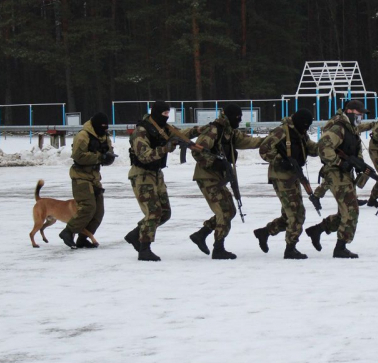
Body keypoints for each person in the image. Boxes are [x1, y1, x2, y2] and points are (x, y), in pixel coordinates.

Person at [123, 101, 199, 261]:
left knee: (164, 213)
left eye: (167, 114)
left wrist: (202, 129)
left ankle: (135, 235)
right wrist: (166, 148)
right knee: (154, 212)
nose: (166, 117)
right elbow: (144, 155)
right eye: (163, 114)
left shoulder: (164, 129)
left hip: (156, 174)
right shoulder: (141, 131)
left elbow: (181, 134)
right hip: (142, 175)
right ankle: (144, 249)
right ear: (156, 113)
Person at [189, 104, 263, 259]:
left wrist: (268, 140)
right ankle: (218, 248)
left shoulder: (230, 133)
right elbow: (197, 150)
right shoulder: (213, 131)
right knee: (224, 211)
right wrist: (214, 162)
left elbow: (247, 141)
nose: (239, 120)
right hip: (207, 176)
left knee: (230, 210)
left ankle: (201, 234)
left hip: (219, 178)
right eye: (237, 117)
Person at [304, 100, 369, 259]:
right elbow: (323, 147)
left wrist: (359, 164)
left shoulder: (350, 128)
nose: (360, 117)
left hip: (344, 172)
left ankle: (317, 230)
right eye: (359, 114)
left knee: (344, 212)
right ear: (350, 111)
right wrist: (340, 162)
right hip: (335, 172)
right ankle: (340, 247)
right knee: (351, 210)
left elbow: (354, 149)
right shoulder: (339, 127)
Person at [253, 109, 318, 259]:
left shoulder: (300, 132)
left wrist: (325, 148)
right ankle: (290, 248)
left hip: (294, 175)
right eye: (305, 125)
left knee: (288, 215)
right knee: (296, 213)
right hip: (281, 176)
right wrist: (281, 161)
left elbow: (309, 146)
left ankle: (265, 232)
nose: (306, 129)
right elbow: (264, 150)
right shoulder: (281, 132)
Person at [59, 112, 115, 248]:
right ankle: (68, 231)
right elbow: (78, 156)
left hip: (94, 176)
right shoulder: (83, 136)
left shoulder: (104, 136)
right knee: (88, 207)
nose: (105, 129)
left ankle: (83, 238)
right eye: (102, 127)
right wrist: (99, 157)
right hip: (80, 176)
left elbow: (108, 151)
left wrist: (109, 158)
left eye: (106, 127)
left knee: (98, 211)